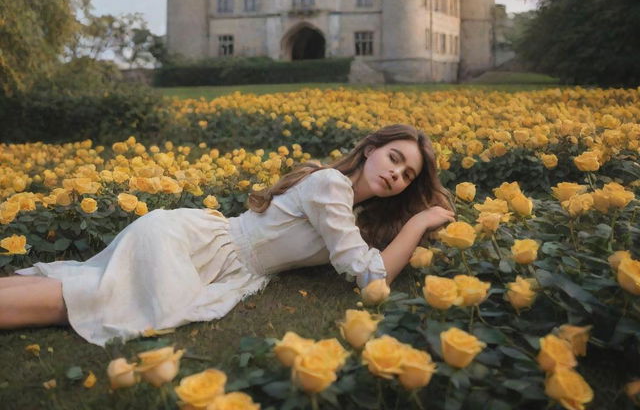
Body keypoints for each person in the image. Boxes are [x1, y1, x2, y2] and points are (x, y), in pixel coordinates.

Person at [0, 124, 455, 346]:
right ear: (372, 149)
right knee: (94, 300)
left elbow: (357, 258)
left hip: (207, 250)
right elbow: (371, 279)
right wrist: (418, 223)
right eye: (394, 158)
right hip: (195, 246)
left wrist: (410, 219)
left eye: (409, 174)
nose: (397, 174)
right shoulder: (331, 187)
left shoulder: (346, 208)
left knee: (85, 288)